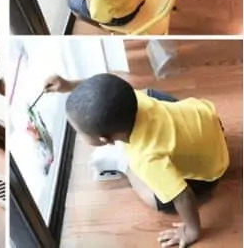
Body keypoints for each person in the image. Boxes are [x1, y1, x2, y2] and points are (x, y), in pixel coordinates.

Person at [43, 72, 229, 248]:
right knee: (146, 94)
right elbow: (103, 92)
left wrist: (191, 231)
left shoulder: (144, 158)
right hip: (208, 118)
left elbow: (183, 196)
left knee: (153, 197)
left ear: (104, 140)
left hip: (213, 168)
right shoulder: (134, 98)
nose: (79, 135)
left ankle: (123, 166)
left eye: (80, 133)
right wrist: (68, 85)